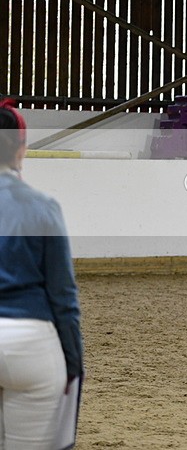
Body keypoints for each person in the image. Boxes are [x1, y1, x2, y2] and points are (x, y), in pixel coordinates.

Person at [0, 98, 84, 448]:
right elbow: (63, 296)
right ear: (21, 148)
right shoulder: (42, 207)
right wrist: (74, 362)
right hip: (30, 343)